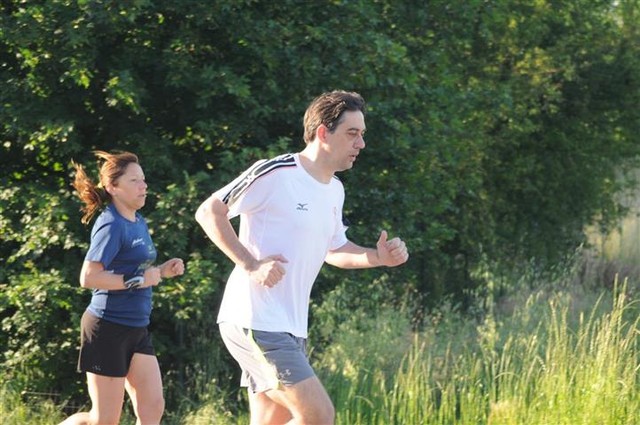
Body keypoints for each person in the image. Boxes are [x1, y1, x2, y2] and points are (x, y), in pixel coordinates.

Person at [195, 90, 409, 424]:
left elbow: (335, 250)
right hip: (255, 319)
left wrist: (377, 257)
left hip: (291, 326)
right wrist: (251, 265)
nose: (361, 144)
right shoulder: (276, 172)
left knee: (273, 420)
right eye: (352, 133)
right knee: (319, 415)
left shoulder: (335, 189)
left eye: (362, 134)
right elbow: (209, 212)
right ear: (323, 132)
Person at [59, 151, 185, 425]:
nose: (143, 186)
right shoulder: (110, 224)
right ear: (112, 187)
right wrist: (140, 279)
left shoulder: (138, 221)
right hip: (107, 326)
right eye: (134, 181)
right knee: (104, 420)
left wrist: (162, 271)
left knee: (152, 408)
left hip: (136, 327)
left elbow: (137, 271)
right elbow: (88, 277)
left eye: (143, 179)